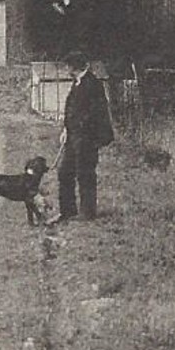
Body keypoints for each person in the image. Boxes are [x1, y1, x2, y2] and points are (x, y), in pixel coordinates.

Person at [54, 51, 115, 222]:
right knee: (64, 172)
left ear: (74, 67)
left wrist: (80, 129)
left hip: (88, 139)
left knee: (85, 174)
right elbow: (71, 110)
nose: (66, 69)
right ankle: (67, 211)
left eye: (67, 66)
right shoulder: (76, 83)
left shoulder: (93, 84)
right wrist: (66, 129)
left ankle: (87, 213)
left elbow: (96, 113)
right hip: (74, 137)